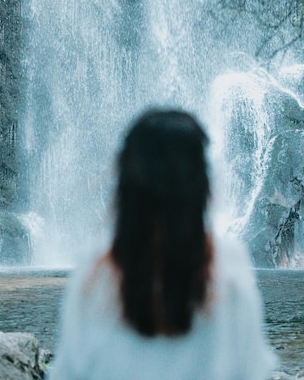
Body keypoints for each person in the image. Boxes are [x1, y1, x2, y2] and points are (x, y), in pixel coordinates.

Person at [48, 108, 277, 380]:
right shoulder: (227, 264)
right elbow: (253, 371)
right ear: (202, 183)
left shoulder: (94, 270)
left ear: (124, 183)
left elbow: (68, 373)